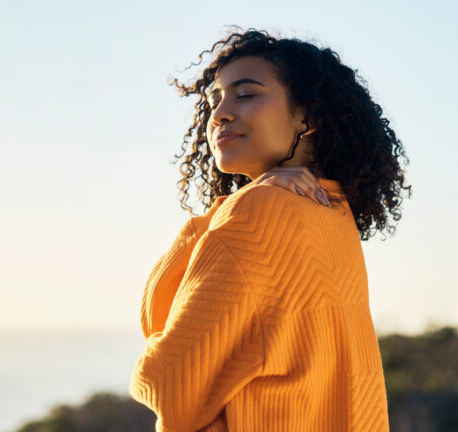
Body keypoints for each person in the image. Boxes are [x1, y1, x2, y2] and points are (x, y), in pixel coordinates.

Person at [129, 26, 411, 432]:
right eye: (215, 100)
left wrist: (219, 217)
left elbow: (168, 389)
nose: (221, 113)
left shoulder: (257, 214)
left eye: (246, 94)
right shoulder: (332, 213)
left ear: (308, 116)